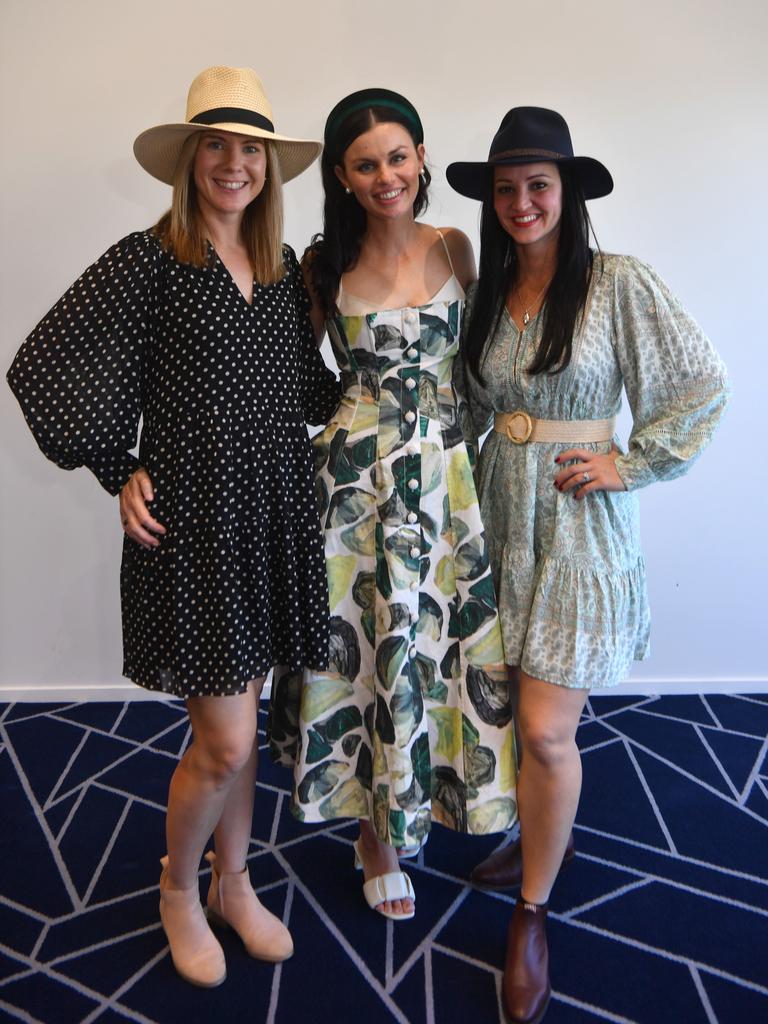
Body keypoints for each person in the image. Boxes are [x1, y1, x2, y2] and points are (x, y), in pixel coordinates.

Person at [7, 66, 341, 988]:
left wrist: (381, 368)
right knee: (225, 740)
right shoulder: (150, 260)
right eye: (218, 147)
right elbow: (44, 364)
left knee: (248, 725)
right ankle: (178, 889)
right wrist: (121, 467)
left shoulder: (282, 275)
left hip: (272, 511)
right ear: (191, 158)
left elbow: (300, 392)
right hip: (192, 522)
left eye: (252, 150)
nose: (234, 165)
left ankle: (236, 881)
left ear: (270, 167)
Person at [446, 107, 728, 1023]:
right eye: (506, 188)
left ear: (567, 194)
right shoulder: (485, 292)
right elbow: (462, 402)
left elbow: (700, 384)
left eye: (539, 185)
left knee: (545, 731)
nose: (522, 202)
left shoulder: (617, 284)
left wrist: (630, 460)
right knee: (501, 709)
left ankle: (532, 911)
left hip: (575, 522)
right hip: (496, 514)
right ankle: (538, 838)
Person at [269, 89, 517, 921]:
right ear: (341, 176)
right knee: (373, 651)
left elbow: (485, 366)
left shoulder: (456, 247)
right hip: (353, 487)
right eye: (366, 163)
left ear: (420, 157)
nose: (387, 176)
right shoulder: (319, 268)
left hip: (446, 484)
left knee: (437, 648)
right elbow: (286, 387)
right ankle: (375, 836)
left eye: (398, 156)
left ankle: (432, 797)